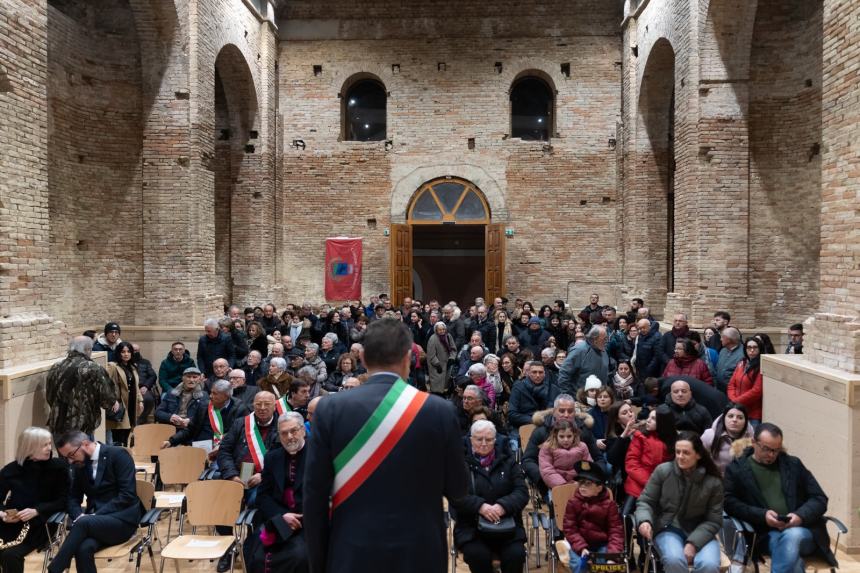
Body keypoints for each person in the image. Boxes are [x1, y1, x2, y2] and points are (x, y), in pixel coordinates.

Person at [304, 318, 468, 573]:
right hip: (419, 553)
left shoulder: (330, 409)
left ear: (364, 359)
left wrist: (319, 563)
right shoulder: (440, 410)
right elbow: (459, 489)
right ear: (407, 358)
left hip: (352, 552)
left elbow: (314, 498)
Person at [724, 423, 836, 573]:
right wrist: (762, 515)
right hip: (765, 534)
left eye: (776, 450)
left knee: (792, 536)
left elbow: (819, 498)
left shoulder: (793, 465)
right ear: (753, 442)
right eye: (766, 449)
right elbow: (729, 502)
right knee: (789, 554)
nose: (771, 455)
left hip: (803, 531)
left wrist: (799, 516)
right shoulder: (737, 469)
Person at [49, 431, 144, 573]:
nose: (70, 461)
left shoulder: (118, 455)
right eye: (66, 458)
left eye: (71, 455)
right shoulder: (80, 465)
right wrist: (79, 515)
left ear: (85, 444)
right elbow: (73, 498)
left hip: (122, 520)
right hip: (93, 524)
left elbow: (127, 495)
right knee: (83, 549)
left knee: (84, 523)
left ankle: (54, 569)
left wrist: (94, 516)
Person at [635, 431, 724, 573]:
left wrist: (693, 544)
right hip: (668, 527)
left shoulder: (713, 482)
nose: (680, 457)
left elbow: (714, 520)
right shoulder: (663, 471)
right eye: (678, 452)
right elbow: (645, 501)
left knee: (709, 565)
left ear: (699, 455)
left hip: (700, 530)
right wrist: (644, 520)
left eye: (686, 453)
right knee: (674, 560)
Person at [450, 420, 528, 573]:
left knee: (516, 555)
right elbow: (455, 495)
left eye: (489, 439)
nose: (484, 443)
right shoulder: (460, 464)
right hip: (472, 528)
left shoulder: (509, 462)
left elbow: (522, 492)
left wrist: (503, 506)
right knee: (477, 555)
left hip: (507, 527)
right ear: (471, 439)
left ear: (495, 440)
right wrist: (480, 506)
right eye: (479, 439)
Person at [0, 428, 70, 573]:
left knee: (10, 555)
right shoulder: (11, 470)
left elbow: (65, 500)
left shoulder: (59, 468)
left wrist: (37, 510)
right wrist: (2, 513)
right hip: (11, 523)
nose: (49, 448)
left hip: (41, 524)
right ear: (29, 447)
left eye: (50, 443)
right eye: (44, 445)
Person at [249, 412, 309, 573]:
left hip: (308, 523)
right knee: (256, 557)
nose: (289, 437)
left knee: (299, 556)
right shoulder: (272, 457)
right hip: (277, 520)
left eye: (294, 430)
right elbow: (263, 496)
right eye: (284, 433)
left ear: (303, 430)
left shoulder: (318, 455)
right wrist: (282, 516)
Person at [46, 336, 118, 437]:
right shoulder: (93, 368)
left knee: (63, 453)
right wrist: (113, 402)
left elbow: (50, 396)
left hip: (57, 423)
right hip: (82, 427)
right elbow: (107, 399)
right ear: (87, 349)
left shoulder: (56, 367)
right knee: (84, 453)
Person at [562, 461, 624, 573]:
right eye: (581, 483)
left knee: (605, 565)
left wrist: (612, 556)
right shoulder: (573, 503)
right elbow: (570, 529)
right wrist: (582, 548)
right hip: (579, 544)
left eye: (588, 483)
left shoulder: (610, 505)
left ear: (599, 488)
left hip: (602, 544)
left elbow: (616, 531)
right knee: (578, 564)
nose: (582, 487)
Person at [163, 379, 248, 462]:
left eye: (215, 394)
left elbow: (236, 436)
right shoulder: (204, 405)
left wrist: (221, 446)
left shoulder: (240, 410)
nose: (210, 396)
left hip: (222, 450)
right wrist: (171, 441)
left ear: (226, 396)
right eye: (211, 392)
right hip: (199, 448)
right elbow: (190, 429)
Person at [623, 406, 675, 499]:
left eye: (653, 419)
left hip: (663, 484)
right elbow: (632, 463)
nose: (648, 420)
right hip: (638, 483)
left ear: (663, 422)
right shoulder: (640, 436)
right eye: (648, 417)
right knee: (627, 512)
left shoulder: (673, 440)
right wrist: (650, 482)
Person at [105, 341, 144, 446]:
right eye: (123, 352)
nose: (126, 354)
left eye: (128, 351)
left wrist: (140, 400)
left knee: (129, 430)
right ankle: (118, 455)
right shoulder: (113, 366)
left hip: (131, 402)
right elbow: (105, 385)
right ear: (118, 353)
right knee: (119, 433)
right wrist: (112, 400)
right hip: (120, 403)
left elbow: (136, 385)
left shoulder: (133, 367)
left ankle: (125, 452)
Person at [701, 403, 753, 475]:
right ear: (724, 418)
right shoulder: (710, 435)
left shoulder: (751, 439)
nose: (734, 420)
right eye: (730, 416)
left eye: (740, 417)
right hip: (716, 479)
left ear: (746, 421)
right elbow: (700, 459)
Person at [538, 420, 592, 488]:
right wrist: (563, 485)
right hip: (557, 485)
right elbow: (547, 470)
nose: (565, 440)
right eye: (561, 436)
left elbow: (587, 467)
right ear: (555, 435)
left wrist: (580, 482)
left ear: (574, 435)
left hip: (579, 485)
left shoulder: (582, 447)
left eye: (569, 436)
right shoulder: (547, 448)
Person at [558, 325, 609, 395]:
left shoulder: (603, 350)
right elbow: (564, 373)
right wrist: (567, 395)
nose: (607, 341)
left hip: (600, 398)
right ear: (595, 339)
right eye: (604, 339)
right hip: (580, 399)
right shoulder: (579, 350)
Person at [508, 361, 560, 428]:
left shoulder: (553, 389)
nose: (538, 375)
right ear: (529, 373)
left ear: (544, 374)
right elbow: (512, 414)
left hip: (549, 426)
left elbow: (559, 411)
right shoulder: (518, 388)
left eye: (540, 372)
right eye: (534, 372)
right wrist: (535, 420)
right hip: (524, 426)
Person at [727, 338, 764, 424]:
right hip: (737, 410)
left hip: (752, 413)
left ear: (760, 349)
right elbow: (731, 384)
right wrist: (733, 399)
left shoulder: (761, 366)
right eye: (749, 347)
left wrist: (736, 401)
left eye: (755, 347)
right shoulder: (742, 363)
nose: (752, 350)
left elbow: (756, 391)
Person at [426, 321, 457, 395]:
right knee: (437, 388)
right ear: (436, 330)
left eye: (443, 329)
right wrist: (437, 364)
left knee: (445, 386)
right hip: (436, 367)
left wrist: (452, 358)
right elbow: (431, 355)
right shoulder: (432, 339)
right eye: (440, 329)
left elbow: (453, 349)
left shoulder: (448, 336)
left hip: (447, 365)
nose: (442, 331)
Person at [715, 327, 744, 392]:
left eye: (722, 337)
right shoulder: (723, 350)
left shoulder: (743, 354)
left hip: (733, 392)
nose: (720, 339)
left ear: (728, 340)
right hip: (720, 390)